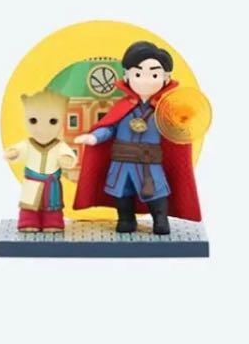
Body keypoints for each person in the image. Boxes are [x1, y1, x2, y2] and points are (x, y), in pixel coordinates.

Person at [72, 40, 200, 235]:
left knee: (156, 193)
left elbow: (176, 132)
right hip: (122, 163)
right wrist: (94, 138)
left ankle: (160, 220)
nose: (145, 80)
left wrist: (183, 121)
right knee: (122, 194)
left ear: (166, 78)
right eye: (138, 74)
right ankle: (126, 219)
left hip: (149, 163)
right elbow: (109, 128)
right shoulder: (123, 107)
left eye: (154, 75)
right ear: (127, 76)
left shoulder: (164, 110)